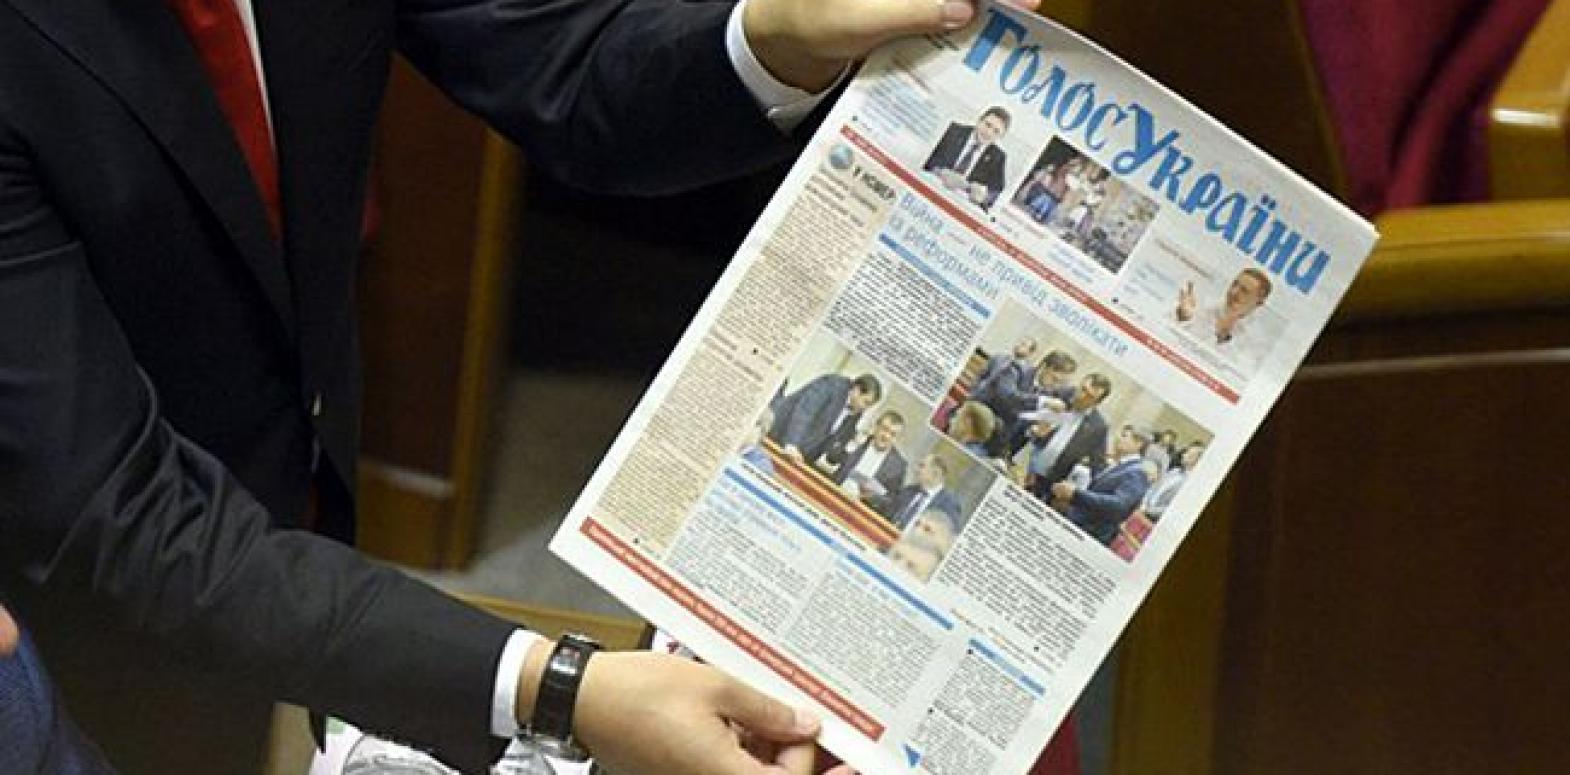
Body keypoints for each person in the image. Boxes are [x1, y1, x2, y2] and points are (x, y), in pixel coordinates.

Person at [0, 0, 1043, 771]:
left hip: (282, 510)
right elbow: (118, 515)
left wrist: (775, 38)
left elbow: (561, 65)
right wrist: (562, 687)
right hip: (68, 623)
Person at [1053, 426, 1153, 546]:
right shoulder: (1122, 464)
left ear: (1139, 443)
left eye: (1124, 436)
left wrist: (1076, 494)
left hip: (1091, 532)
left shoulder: (1137, 472)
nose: (1118, 438)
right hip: (1081, 522)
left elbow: (1118, 505)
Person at [1018, 373, 1113, 497]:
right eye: (1083, 389)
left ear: (1097, 403)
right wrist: (1032, 429)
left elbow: (1097, 464)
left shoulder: (1098, 427)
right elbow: (1020, 411)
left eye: (1089, 396)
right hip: (1021, 462)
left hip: (1048, 482)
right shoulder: (1059, 394)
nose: (1082, 396)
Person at [769, 372, 883, 466]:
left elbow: (832, 457)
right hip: (778, 435)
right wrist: (791, 444)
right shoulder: (832, 384)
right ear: (856, 390)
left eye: (869, 405)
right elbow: (804, 412)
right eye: (866, 402)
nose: (865, 408)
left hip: (799, 458)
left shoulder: (856, 413)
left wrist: (853, 444)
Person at [1175, 268, 1274, 369]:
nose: (1234, 292)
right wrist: (1183, 316)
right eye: (1234, 284)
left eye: (1244, 291)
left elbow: (1234, 371)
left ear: (1258, 303)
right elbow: (1176, 340)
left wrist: (1223, 337)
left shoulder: (1257, 341)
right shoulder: (1205, 306)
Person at [922, 106, 1012, 209]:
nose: (988, 132)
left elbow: (995, 192)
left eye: (996, 131)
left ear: (1001, 136)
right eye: (987, 125)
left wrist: (984, 196)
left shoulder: (998, 157)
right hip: (930, 186)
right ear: (979, 120)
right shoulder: (953, 130)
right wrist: (940, 172)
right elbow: (927, 156)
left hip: (958, 204)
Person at [825, 410, 908, 514]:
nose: (886, 436)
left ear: (897, 438)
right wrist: (852, 444)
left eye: (893, 434)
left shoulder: (898, 466)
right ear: (876, 426)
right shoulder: (859, 440)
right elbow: (831, 459)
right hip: (833, 495)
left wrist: (872, 497)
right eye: (884, 429)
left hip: (860, 512)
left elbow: (891, 501)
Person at [886, 454, 962, 530]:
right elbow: (888, 511)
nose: (916, 469)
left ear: (936, 474)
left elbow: (947, 533)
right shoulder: (908, 490)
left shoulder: (949, 505)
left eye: (922, 466)